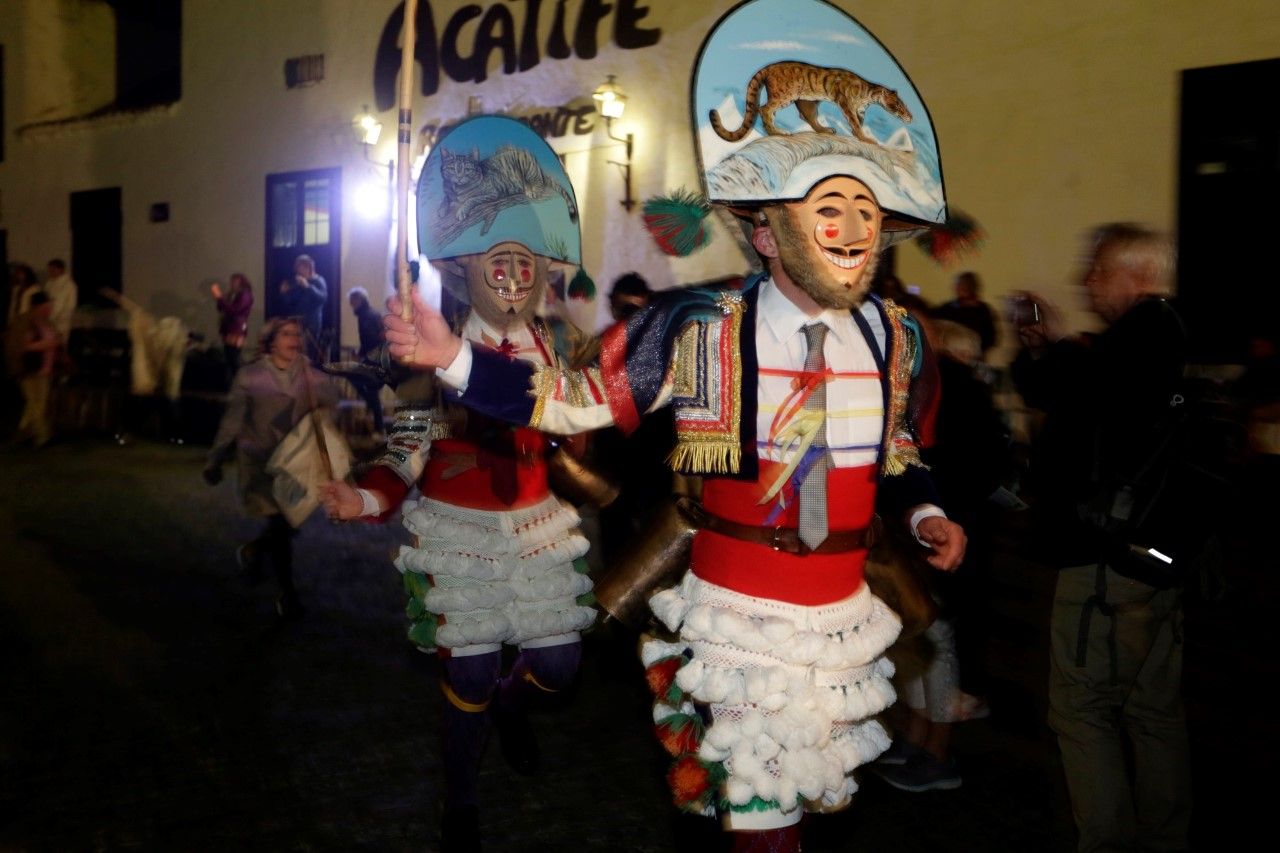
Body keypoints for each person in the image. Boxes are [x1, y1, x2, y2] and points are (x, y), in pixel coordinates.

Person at [381, 3, 966, 849]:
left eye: (865, 207)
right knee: (761, 823)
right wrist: (456, 360)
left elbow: (901, 451)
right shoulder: (698, 325)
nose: (853, 226)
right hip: (740, 612)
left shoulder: (896, 336)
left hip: (844, 622)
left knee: (797, 811)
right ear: (764, 232)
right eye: (826, 205)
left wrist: (924, 512)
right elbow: (572, 396)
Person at [320, 116, 595, 853]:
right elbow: (406, 453)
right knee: (467, 676)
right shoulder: (428, 352)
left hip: (536, 526)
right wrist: (369, 496)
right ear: (463, 269)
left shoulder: (561, 348)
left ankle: (514, 705)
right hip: (460, 533)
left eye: (525, 262)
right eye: (495, 263)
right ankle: (461, 799)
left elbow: (590, 420)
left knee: (561, 666)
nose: (512, 276)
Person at [1011, 224, 1191, 853]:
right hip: (1160, 555)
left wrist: (1053, 348)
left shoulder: (1139, 341)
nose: (1085, 281)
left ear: (1135, 274)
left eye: (1098, 269)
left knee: (1082, 710)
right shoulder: (1173, 338)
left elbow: (1082, 406)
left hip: (1107, 561)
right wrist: (1046, 351)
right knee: (1151, 710)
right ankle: (1166, 834)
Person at [204, 317, 338, 620]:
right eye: (286, 334)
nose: (294, 339)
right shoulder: (250, 376)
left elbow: (333, 401)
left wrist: (324, 414)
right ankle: (288, 594)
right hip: (261, 463)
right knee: (281, 527)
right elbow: (232, 421)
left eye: (297, 334)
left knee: (286, 525)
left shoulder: (309, 375)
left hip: (295, 464)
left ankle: (254, 551)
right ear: (271, 340)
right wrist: (215, 458)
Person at [5, 292, 59, 447]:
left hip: (44, 368)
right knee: (36, 403)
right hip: (28, 368)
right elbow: (22, 346)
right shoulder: (25, 321)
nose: (50, 308)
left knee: (36, 403)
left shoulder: (46, 321)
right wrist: (49, 344)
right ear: (39, 306)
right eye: (47, 305)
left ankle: (24, 432)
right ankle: (43, 436)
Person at [346, 286, 386, 434]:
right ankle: (377, 422)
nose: (351, 305)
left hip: (374, 360)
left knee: (356, 378)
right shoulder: (370, 314)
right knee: (370, 390)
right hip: (378, 358)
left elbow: (371, 340)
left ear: (358, 300)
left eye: (352, 301)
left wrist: (362, 353)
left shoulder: (366, 317)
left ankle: (379, 426)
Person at [935, 271, 998, 357]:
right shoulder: (948, 308)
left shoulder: (983, 311)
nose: (954, 288)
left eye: (958, 285)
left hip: (972, 358)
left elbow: (991, 338)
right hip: (948, 357)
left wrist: (971, 351)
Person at [277, 255, 327, 360]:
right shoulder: (297, 283)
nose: (299, 271)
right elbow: (290, 302)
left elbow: (322, 298)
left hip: (311, 323)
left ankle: (309, 373)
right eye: (298, 268)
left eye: (301, 268)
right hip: (297, 322)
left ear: (309, 267)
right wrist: (284, 293)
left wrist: (308, 287)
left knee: (308, 353)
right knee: (296, 351)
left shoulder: (318, 280)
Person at [212, 273, 254, 379]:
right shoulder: (233, 294)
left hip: (237, 329)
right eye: (231, 281)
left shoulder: (245, 295)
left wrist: (220, 298)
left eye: (234, 281)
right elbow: (222, 309)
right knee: (229, 356)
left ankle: (240, 382)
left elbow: (234, 310)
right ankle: (233, 382)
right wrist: (222, 299)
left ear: (241, 282)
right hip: (229, 328)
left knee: (233, 356)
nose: (232, 284)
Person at [43, 259, 78, 348]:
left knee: (59, 347)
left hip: (60, 321)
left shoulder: (68, 285)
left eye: (53, 270)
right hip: (48, 320)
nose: (50, 272)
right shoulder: (49, 283)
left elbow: (59, 305)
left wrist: (50, 318)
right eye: (49, 270)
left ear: (61, 269)